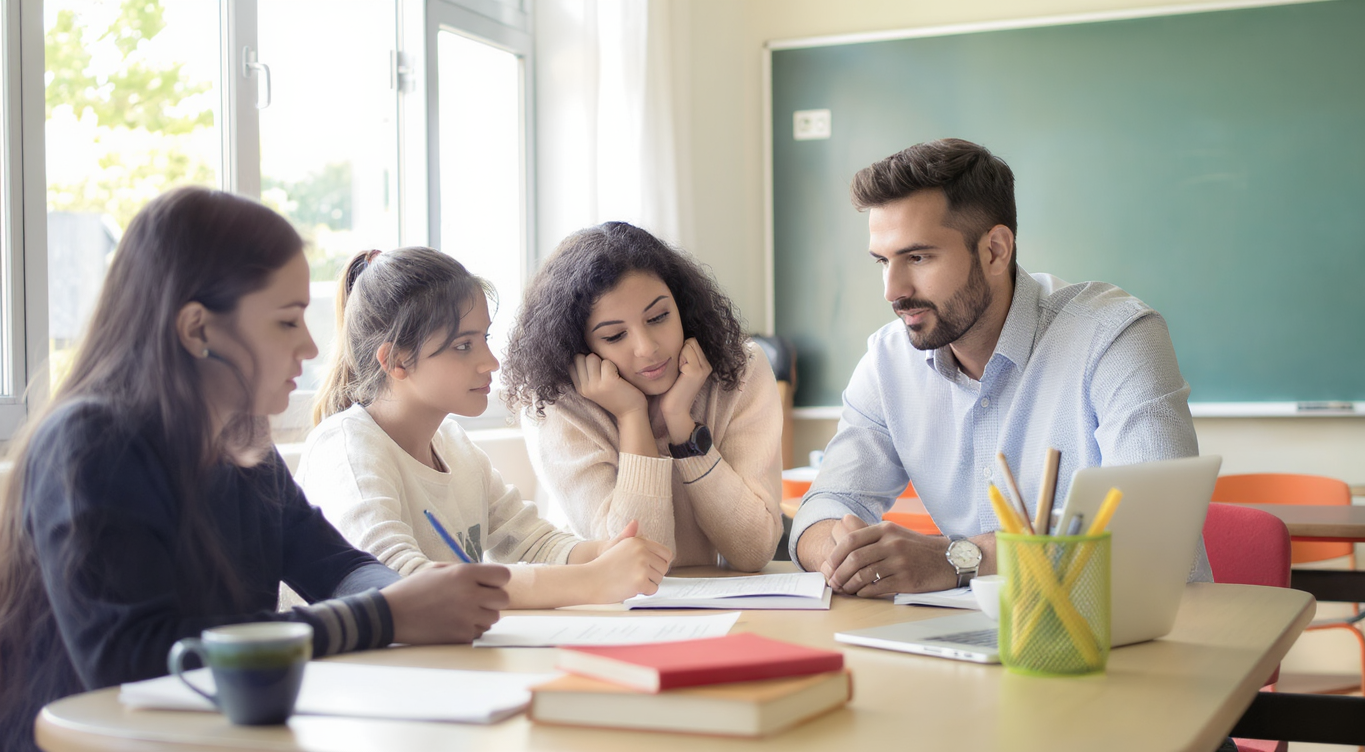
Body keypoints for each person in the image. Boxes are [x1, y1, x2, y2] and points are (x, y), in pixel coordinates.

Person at [0, 188, 509, 752]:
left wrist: (412, 595)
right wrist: (386, 615)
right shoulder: (90, 445)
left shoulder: (243, 444)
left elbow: (336, 566)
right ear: (198, 330)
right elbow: (137, 661)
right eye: (287, 322)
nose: (312, 346)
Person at [791, 138, 1212, 596]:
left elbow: (1151, 532)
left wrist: (957, 559)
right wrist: (846, 554)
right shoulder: (887, 362)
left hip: (1136, 638)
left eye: (918, 257)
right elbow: (824, 508)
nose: (893, 291)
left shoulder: (1115, 337)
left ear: (995, 250)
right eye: (882, 262)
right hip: (964, 643)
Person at [297, 247, 671, 608]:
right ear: (396, 360)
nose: (490, 362)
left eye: (485, 338)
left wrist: (603, 553)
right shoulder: (346, 450)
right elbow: (398, 584)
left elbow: (535, 543)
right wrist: (591, 580)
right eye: (463, 346)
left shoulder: (453, 446)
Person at [502, 222, 783, 571]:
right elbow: (636, 559)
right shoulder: (555, 402)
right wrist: (632, 416)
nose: (647, 348)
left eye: (659, 316)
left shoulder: (739, 368)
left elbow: (754, 549)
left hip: (714, 605)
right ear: (580, 345)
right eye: (615, 335)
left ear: (683, 305)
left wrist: (683, 429)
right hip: (603, 612)